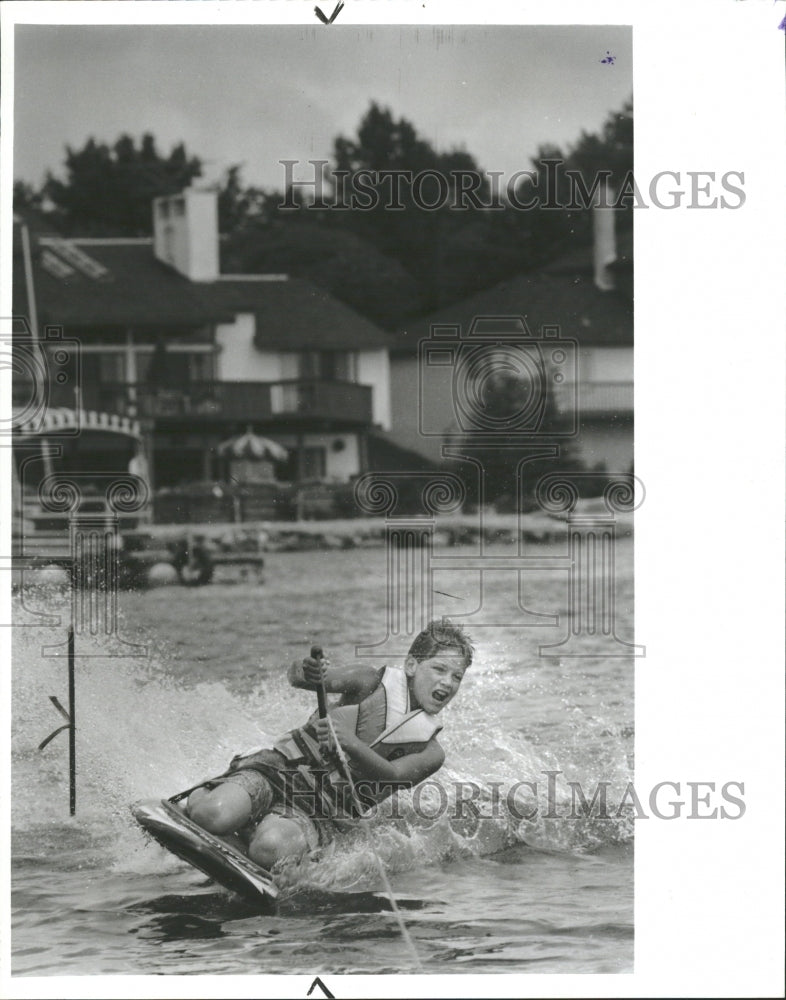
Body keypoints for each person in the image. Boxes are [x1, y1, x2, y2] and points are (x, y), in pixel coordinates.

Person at [186, 620, 474, 870]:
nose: (448, 682)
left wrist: (348, 743)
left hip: (323, 808)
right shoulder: (368, 681)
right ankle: (208, 796)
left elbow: (392, 776)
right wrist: (308, 671)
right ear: (412, 665)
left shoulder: (431, 752)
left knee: (269, 849)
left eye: (457, 677)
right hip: (279, 771)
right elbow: (299, 677)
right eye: (439, 669)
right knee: (211, 815)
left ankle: (252, 827)